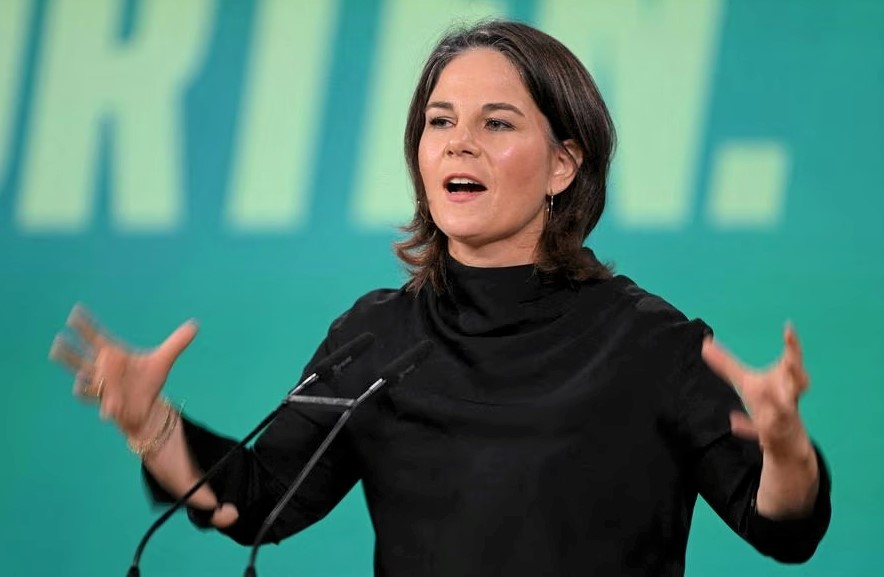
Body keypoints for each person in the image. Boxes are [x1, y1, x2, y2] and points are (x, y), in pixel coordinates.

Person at [51, 19, 830, 576]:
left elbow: (781, 528)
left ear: (563, 164)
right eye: (439, 121)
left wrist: (787, 450)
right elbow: (257, 501)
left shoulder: (649, 342)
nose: (459, 142)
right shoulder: (376, 338)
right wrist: (153, 425)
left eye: (497, 123)